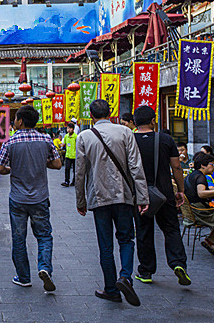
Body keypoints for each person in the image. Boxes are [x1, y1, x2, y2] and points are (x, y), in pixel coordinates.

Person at [75, 99, 149, 307]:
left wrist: (81, 200)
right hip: (123, 196)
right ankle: (125, 276)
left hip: (99, 199)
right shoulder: (125, 133)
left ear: (91, 115)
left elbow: (80, 173)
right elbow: (136, 167)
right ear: (111, 112)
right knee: (126, 239)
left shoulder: (84, 136)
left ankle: (110, 289)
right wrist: (142, 197)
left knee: (105, 246)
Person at [0, 105, 61, 291]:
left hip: (18, 198)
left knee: (19, 238)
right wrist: (40, 163)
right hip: (40, 197)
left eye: (15, 119)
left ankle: (24, 277)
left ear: (21, 121)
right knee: (44, 236)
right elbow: (57, 164)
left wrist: (13, 168)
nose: (14, 122)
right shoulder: (46, 139)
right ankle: (45, 267)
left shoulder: (10, 142)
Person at [132, 106, 190, 286]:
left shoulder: (130, 140)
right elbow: (177, 167)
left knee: (144, 231)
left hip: (140, 194)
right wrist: (180, 190)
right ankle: (178, 263)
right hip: (164, 193)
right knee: (171, 229)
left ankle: (146, 271)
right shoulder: (166, 139)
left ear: (134, 122)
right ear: (152, 121)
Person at [184, 152, 214, 254]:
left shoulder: (192, 175)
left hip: (194, 210)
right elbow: (201, 193)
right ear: (203, 165)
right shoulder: (200, 177)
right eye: (212, 164)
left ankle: (210, 240)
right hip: (201, 212)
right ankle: (209, 240)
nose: (213, 167)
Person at [60, 123, 78, 187]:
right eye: (68, 128)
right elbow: (63, 143)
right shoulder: (66, 136)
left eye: (70, 128)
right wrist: (61, 145)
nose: (68, 130)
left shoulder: (76, 136)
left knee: (74, 170)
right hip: (68, 155)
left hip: (75, 156)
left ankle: (74, 181)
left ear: (73, 129)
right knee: (67, 169)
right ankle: (67, 181)